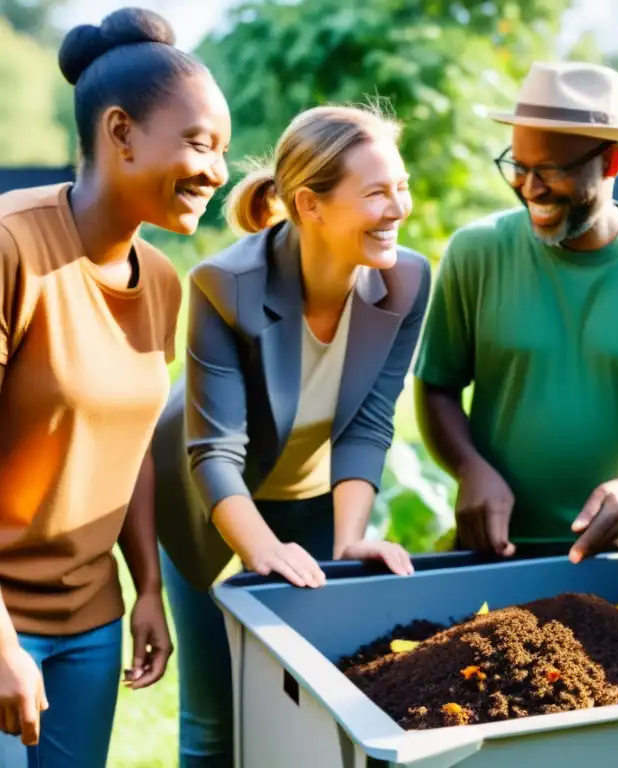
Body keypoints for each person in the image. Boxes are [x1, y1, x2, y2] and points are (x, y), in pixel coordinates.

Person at [151, 103, 428, 767]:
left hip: (311, 497)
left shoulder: (406, 281)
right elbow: (213, 451)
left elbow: (369, 420)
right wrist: (260, 548)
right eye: (375, 194)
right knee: (217, 722)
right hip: (213, 505)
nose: (398, 209)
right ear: (310, 205)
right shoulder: (226, 286)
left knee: (316, 704)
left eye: (402, 187)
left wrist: (350, 537)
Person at [0, 7, 231, 768]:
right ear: (120, 132)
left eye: (223, 150)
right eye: (199, 143)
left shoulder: (162, 282)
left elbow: (131, 447)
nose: (217, 170)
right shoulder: (12, 248)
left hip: (89, 625)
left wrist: (148, 592)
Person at [413, 61, 618, 563]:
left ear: (611, 163)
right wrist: (469, 468)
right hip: (495, 550)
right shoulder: (474, 252)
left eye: (552, 171)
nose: (530, 188)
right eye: (518, 166)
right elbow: (437, 386)